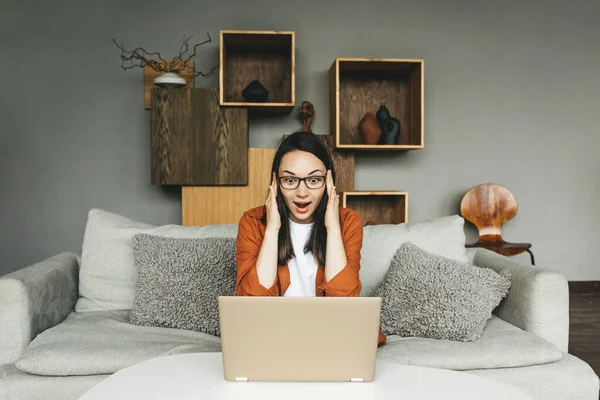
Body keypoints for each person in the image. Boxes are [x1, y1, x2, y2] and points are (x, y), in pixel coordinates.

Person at [235, 131, 386, 347]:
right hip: (272, 337)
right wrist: (272, 229)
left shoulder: (348, 222)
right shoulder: (252, 222)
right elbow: (251, 306)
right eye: (290, 180)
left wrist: (332, 228)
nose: (302, 192)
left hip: (330, 336)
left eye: (314, 179)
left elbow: (344, 305)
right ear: (275, 182)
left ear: (328, 181)